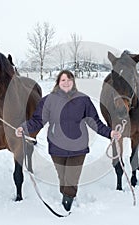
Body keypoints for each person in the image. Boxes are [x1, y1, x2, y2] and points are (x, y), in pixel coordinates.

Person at [15, 70, 121, 211]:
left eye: (69, 80)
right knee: (63, 179)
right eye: (63, 80)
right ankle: (66, 194)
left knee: (71, 179)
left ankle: (67, 207)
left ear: (73, 82)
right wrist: (23, 128)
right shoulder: (48, 100)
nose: (66, 83)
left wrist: (110, 133)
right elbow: (37, 121)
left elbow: (95, 122)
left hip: (78, 147)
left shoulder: (83, 100)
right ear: (58, 83)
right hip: (56, 147)